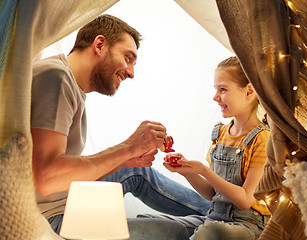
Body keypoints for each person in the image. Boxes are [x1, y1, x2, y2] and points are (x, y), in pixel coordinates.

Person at [31, 14, 210, 237]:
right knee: (173, 232)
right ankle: (216, 220)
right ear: (99, 45)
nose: (131, 73)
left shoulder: (66, 81)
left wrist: (125, 159)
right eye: (127, 58)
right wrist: (129, 147)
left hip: (66, 199)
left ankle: (219, 214)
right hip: (52, 218)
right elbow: (47, 179)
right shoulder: (56, 79)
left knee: (134, 169)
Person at [136, 56, 271, 240]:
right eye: (215, 89)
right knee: (148, 223)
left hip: (247, 225)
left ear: (249, 91)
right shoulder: (220, 133)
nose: (215, 97)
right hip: (213, 217)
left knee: (210, 232)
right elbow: (211, 194)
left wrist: (203, 170)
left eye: (222, 89)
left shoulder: (262, 138)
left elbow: (246, 199)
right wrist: (187, 171)